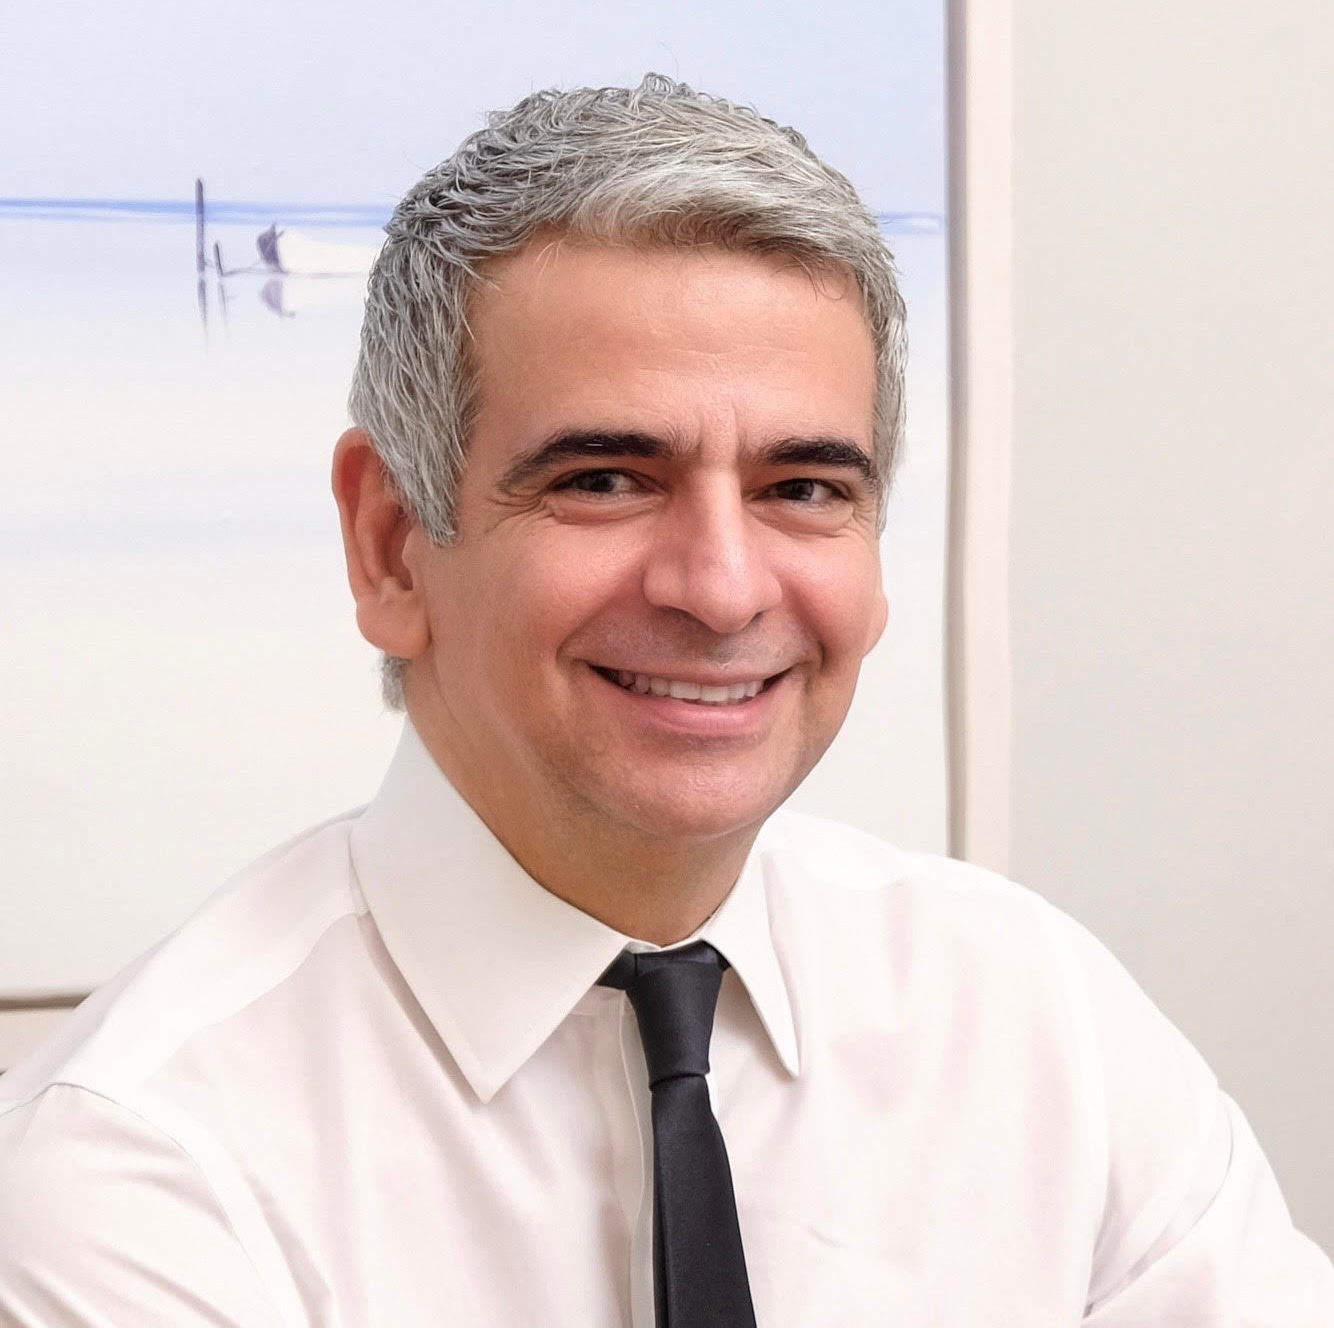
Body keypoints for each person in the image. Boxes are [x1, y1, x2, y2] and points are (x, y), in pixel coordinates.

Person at [1, 76, 1330, 1326]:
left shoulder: (1036, 1017)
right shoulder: (139, 1166)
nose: (722, 586)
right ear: (392, 547)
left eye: (802, 488)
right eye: (605, 479)